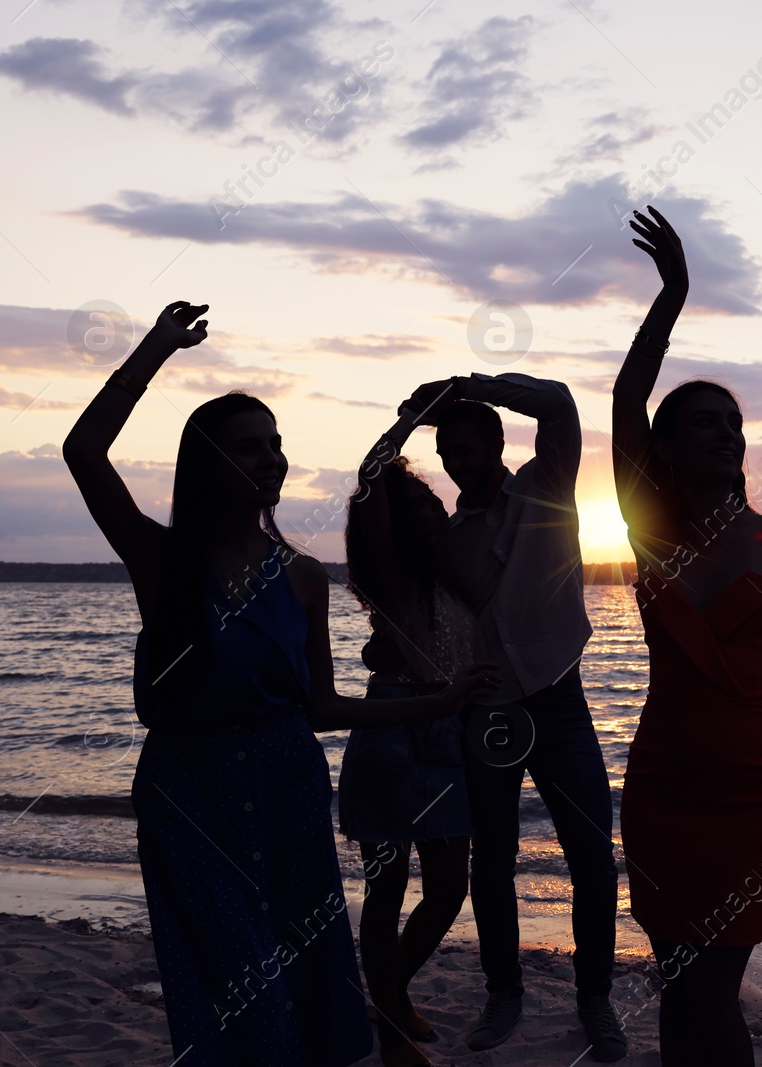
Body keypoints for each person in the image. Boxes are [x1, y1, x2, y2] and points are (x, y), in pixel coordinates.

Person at [61, 301, 499, 1067]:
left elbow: (324, 706)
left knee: (306, 975)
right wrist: (157, 348)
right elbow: (84, 449)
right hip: (189, 793)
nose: (272, 460)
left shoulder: (300, 577)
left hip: (287, 783)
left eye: (277, 446)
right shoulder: (162, 561)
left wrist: (443, 699)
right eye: (249, 448)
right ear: (206, 464)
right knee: (231, 982)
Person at [611, 205, 762, 1067]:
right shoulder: (648, 530)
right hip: (664, 779)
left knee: (711, 987)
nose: (725, 433)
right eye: (703, 421)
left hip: (754, 787)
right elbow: (626, 396)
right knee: (677, 981)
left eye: (733, 424)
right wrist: (673, 299)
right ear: (665, 444)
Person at [399, 371, 625, 1061]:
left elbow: (557, 402)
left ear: (500, 443)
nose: (458, 462)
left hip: (559, 699)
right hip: (489, 710)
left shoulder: (546, 488)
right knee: (492, 860)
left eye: (469, 448)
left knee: (592, 856)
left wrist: (472, 385)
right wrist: (412, 418)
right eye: (448, 453)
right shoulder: (448, 536)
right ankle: (505, 991)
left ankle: (596, 998)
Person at [339, 403, 483, 1067]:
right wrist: (412, 419)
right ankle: (391, 1014)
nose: (431, 514)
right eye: (415, 508)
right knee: (389, 884)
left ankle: (388, 994)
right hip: (396, 729)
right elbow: (370, 478)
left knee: (451, 882)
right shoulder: (392, 582)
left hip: (447, 735)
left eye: (432, 502)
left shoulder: (451, 577)